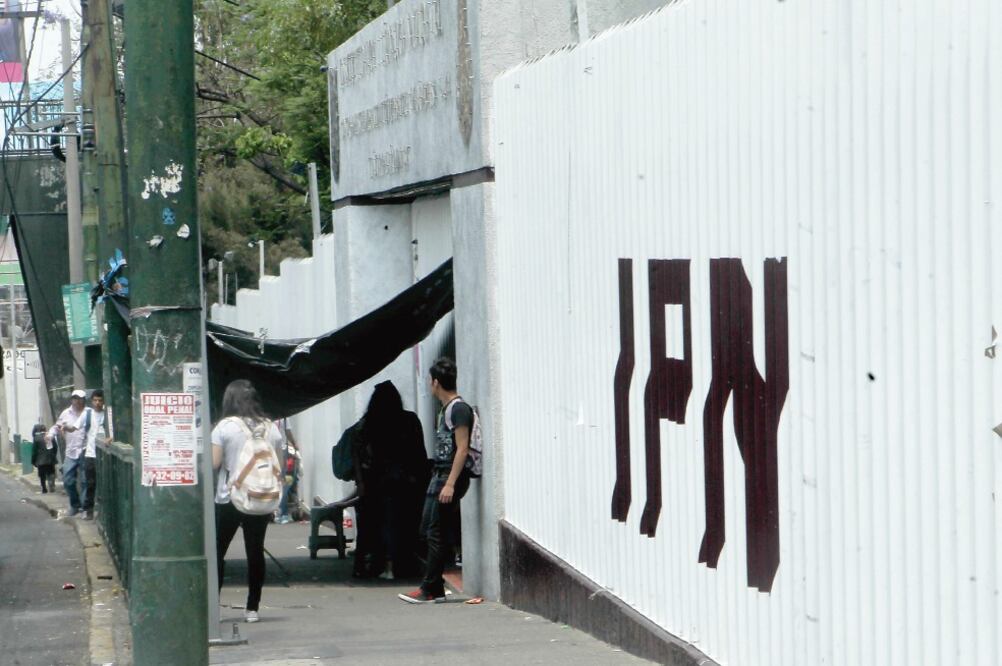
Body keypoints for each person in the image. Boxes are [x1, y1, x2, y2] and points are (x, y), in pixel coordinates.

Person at [399, 358, 473, 604]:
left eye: (430, 381)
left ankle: (430, 587)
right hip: (439, 475)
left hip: (448, 477)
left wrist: (451, 483)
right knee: (428, 530)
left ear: (436, 382)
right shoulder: (447, 409)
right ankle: (435, 585)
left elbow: (462, 449)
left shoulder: (459, 409)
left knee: (435, 532)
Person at [212, 379, 283, 623]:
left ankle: (214, 607)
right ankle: (252, 609)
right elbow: (278, 464)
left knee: (218, 551)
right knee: (255, 551)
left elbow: (214, 463)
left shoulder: (223, 428)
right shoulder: (271, 428)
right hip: (260, 496)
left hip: (229, 497)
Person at [352, 381, 429, 579]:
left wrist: (361, 483)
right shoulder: (409, 420)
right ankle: (401, 565)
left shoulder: (367, 424)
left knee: (373, 527)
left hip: (374, 484)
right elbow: (419, 453)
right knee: (403, 526)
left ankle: (372, 565)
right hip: (404, 484)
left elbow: (358, 456)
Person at [64, 390, 110, 521]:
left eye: (100, 400)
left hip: (105, 454)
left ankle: (102, 510)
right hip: (90, 453)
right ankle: (87, 509)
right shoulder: (87, 414)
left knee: (105, 482)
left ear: (103, 401)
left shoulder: (108, 413)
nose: (97, 403)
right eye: (95, 400)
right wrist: (66, 427)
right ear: (92, 401)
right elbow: (74, 427)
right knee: (90, 483)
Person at [52, 390, 87, 516]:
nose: (77, 401)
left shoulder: (88, 412)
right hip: (71, 452)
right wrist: (50, 434)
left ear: (84, 399)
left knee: (85, 481)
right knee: (67, 480)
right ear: (72, 399)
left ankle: (84, 507)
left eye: (80, 398)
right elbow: (57, 427)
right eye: (75, 398)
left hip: (85, 450)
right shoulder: (66, 413)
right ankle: (75, 504)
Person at [275, 418, 300, 525]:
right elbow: (288, 432)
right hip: (282, 449)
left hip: (268, 450)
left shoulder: (265, 413)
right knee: (283, 482)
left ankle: (273, 512)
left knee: (272, 481)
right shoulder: (284, 416)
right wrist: (295, 444)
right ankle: (283, 514)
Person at [30, 422, 57, 493]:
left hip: (40, 460)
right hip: (50, 458)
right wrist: (53, 455)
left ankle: (44, 488)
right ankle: (51, 483)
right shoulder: (50, 436)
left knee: (42, 475)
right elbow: (55, 447)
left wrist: (33, 460)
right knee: (51, 472)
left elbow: (34, 451)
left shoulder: (36, 438)